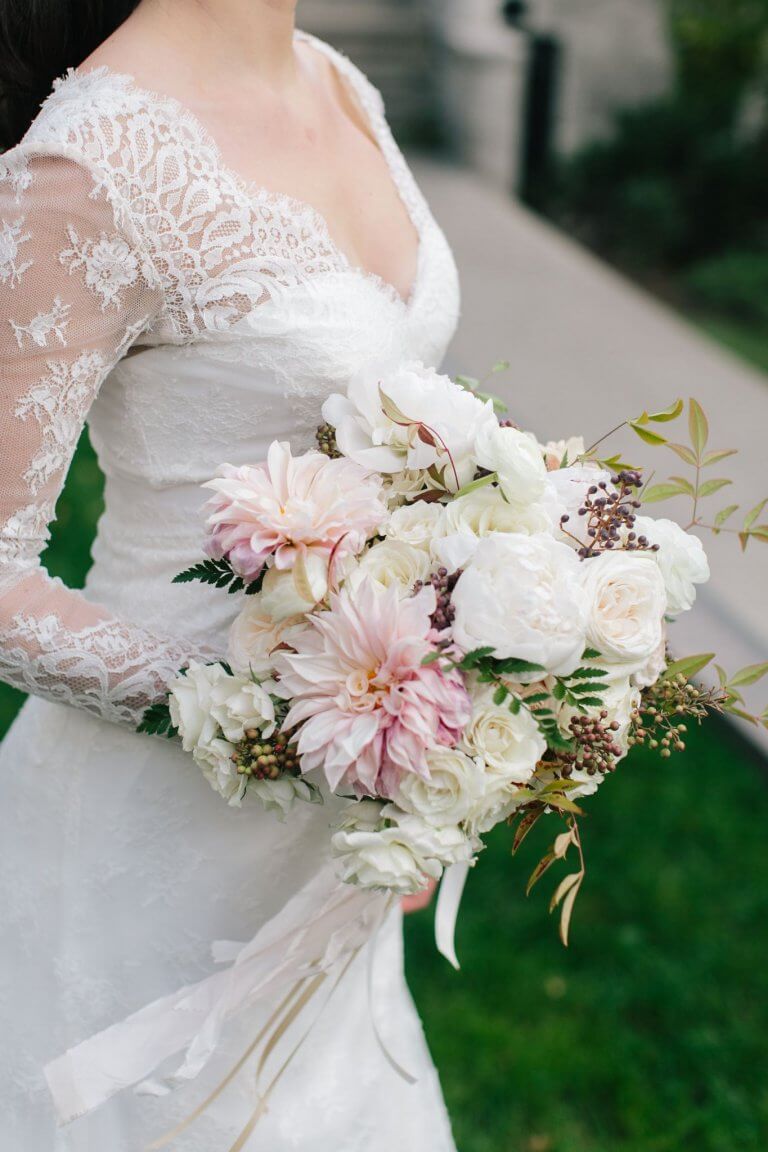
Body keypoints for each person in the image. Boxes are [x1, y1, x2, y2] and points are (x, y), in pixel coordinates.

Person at [0, 1, 460, 1146]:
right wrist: (261, 719)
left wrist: (446, 729)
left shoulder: (342, 82)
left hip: (338, 832)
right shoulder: (90, 163)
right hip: (147, 849)